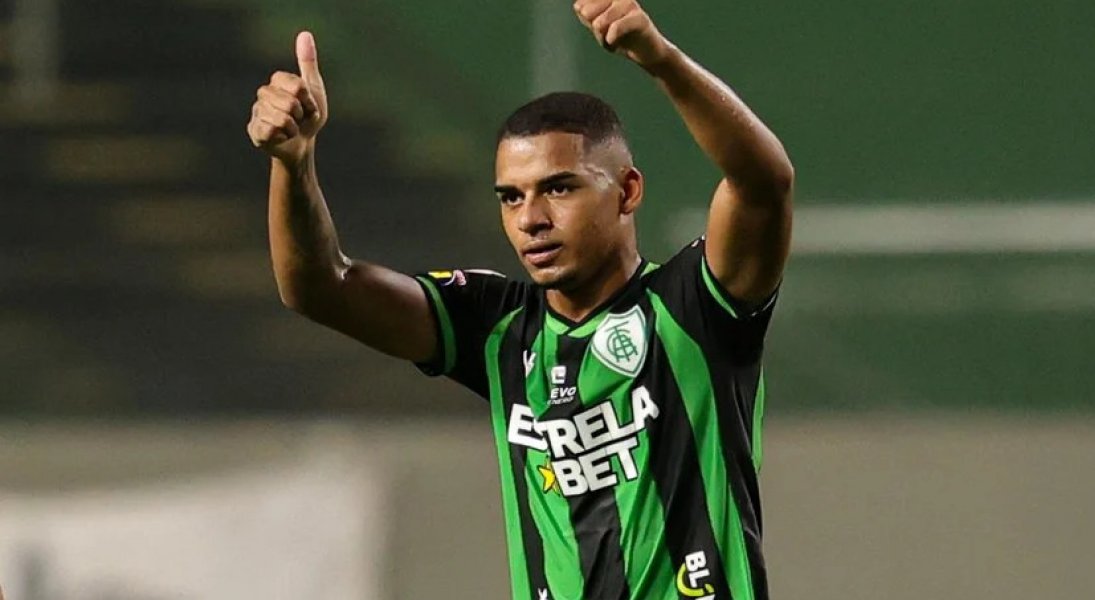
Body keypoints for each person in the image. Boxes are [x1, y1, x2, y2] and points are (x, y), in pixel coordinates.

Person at [246, 1, 792, 598]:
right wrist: (293, 164)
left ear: (627, 191)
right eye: (511, 197)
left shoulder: (695, 306)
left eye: (559, 188)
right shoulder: (497, 326)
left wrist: (660, 59)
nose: (531, 219)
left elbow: (763, 184)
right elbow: (320, 288)